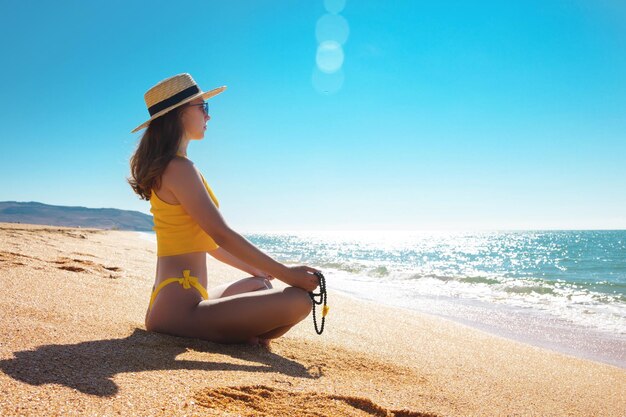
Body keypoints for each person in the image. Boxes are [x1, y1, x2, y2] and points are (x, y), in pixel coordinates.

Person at [128, 73, 319, 347]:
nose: (208, 116)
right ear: (180, 113)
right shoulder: (179, 169)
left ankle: (234, 331)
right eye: (203, 107)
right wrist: (286, 273)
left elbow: (206, 242)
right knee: (299, 301)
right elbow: (221, 234)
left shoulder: (176, 166)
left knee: (260, 285)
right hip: (178, 311)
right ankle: (235, 334)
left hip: (181, 300)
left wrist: (255, 269)